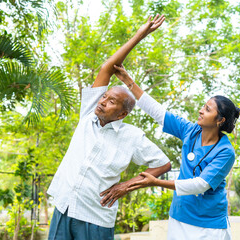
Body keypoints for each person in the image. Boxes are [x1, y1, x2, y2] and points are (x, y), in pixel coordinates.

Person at [47, 15, 171, 240]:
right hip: (64, 206)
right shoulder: (88, 114)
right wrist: (140, 35)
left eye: (111, 101)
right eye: (104, 96)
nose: (103, 101)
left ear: (123, 113)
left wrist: (127, 185)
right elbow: (109, 67)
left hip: (96, 217)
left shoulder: (132, 136)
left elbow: (163, 164)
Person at [106, 64, 240, 240]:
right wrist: (128, 81)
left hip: (209, 226)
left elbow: (200, 184)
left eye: (207, 109)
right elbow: (158, 112)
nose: (200, 110)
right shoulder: (190, 131)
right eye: (203, 106)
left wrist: (156, 182)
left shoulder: (225, 151)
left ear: (220, 120)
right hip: (180, 218)